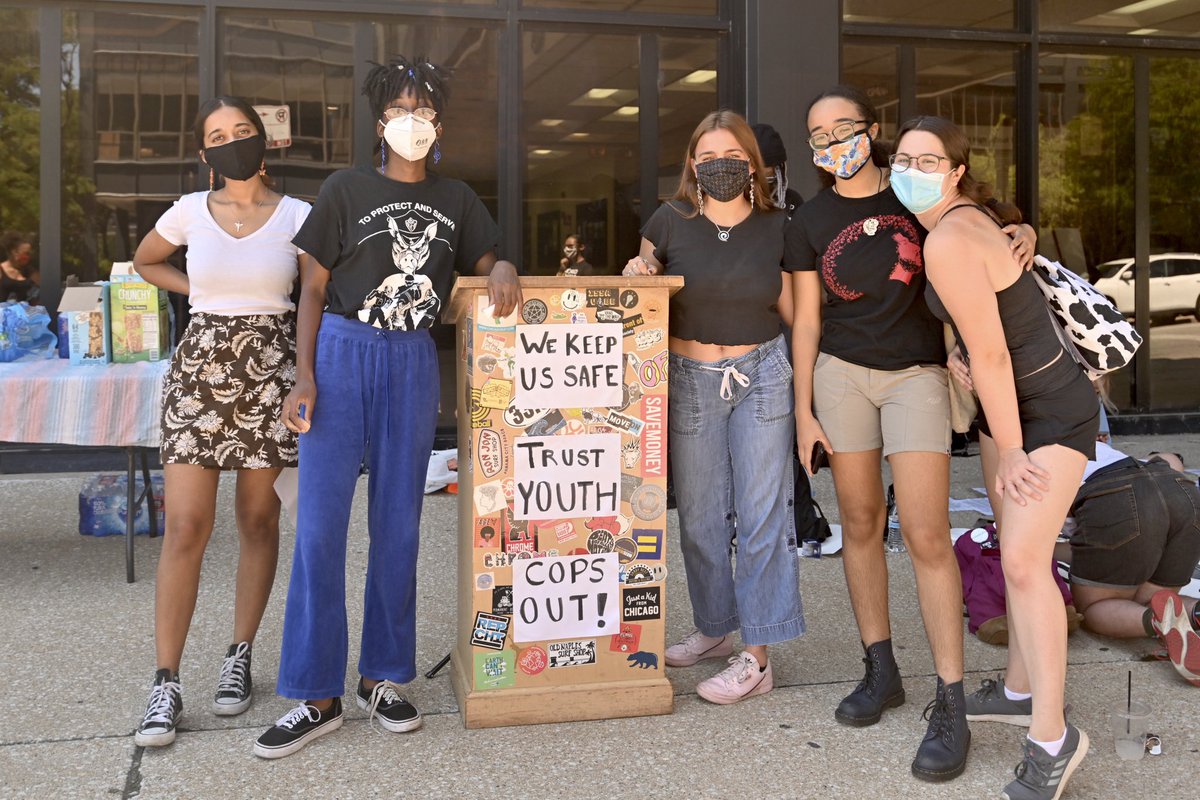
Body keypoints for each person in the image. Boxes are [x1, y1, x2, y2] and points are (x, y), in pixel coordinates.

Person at [253, 55, 520, 759]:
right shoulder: (344, 189)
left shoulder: (458, 197)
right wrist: (303, 376)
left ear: (438, 126)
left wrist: (501, 266)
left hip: (410, 358)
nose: (415, 123)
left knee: (399, 524)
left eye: (426, 113)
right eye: (403, 110)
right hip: (340, 354)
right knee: (318, 528)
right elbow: (310, 289)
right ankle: (315, 693)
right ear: (381, 122)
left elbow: (489, 255)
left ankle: (384, 676)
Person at [785, 85, 1035, 782]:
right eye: (818, 132)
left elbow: (995, 229)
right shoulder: (809, 220)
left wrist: (1025, 231)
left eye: (844, 126)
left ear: (872, 130)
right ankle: (880, 668)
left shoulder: (915, 193)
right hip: (840, 377)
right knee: (860, 522)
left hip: (917, 376)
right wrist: (804, 408)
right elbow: (806, 320)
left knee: (926, 535)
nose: (833, 141)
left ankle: (950, 700)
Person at [898, 114, 1098, 799]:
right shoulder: (965, 221)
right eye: (904, 158)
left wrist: (1012, 448)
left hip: (1048, 411)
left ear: (955, 171)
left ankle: (1053, 737)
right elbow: (987, 326)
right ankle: (1017, 688)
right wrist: (963, 356)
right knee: (1022, 556)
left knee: (1021, 559)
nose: (911, 170)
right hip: (1011, 403)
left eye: (928, 161)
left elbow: (992, 350)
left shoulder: (950, 237)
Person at [131, 95, 310, 747]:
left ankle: (240, 653)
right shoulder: (187, 212)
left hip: (269, 374)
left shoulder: (299, 216)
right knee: (184, 526)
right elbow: (144, 260)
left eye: (242, 132)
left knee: (259, 520)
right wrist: (196, 292)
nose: (231, 142)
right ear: (204, 154)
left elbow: (316, 293)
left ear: (264, 142)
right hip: (200, 372)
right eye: (217, 136)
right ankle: (166, 682)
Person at [623, 109, 804, 705]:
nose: (718, 165)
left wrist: (810, 398)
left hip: (764, 374)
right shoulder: (669, 220)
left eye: (731, 155)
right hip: (689, 377)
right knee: (699, 518)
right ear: (692, 166)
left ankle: (758, 654)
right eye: (706, 156)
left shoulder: (780, 227)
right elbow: (643, 283)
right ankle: (715, 627)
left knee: (760, 518)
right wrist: (639, 271)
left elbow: (799, 317)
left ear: (752, 164)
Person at [1057, 442, 1199, 683]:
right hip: (1182, 493)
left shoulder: (1034, 456)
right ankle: (1196, 612)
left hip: (1117, 498)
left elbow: (1048, 548)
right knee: (1151, 598)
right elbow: (1170, 460)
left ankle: (1158, 621)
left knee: (1095, 607)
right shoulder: (1100, 446)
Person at [751, 123, 803, 219]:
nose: (759, 172)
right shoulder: (736, 202)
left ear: (780, 168)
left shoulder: (793, 200)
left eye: (766, 167)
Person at [1, 232, 38, 303]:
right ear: (14, 252)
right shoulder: (1, 270)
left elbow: (46, 286)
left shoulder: (29, 271)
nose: (28, 257)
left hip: (24, 312)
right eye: (26, 254)